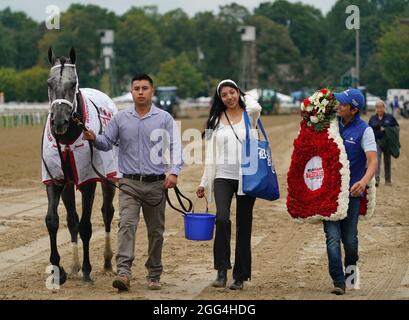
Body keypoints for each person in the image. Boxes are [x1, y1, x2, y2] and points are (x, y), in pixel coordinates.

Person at [83, 73, 183, 291]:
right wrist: (93, 137)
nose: (140, 92)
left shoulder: (164, 118)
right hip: (128, 183)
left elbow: (176, 145)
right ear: (131, 91)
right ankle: (124, 273)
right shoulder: (120, 118)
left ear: (152, 91)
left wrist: (174, 172)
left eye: (144, 88)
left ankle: (154, 273)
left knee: (156, 231)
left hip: (157, 183)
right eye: (136, 88)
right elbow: (107, 142)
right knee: (126, 226)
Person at [196, 79, 261, 290]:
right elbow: (211, 156)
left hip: (247, 177)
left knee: (244, 225)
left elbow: (256, 105)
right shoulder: (214, 120)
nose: (229, 97)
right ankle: (221, 270)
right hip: (222, 176)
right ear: (219, 99)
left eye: (232, 92)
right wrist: (204, 183)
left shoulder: (250, 115)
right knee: (222, 219)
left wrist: (243, 96)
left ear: (238, 93)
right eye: (224, 95)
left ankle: (240, 276)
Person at [323, 88, 377, 295]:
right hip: (328, 194)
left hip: (352, 194)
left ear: (353, 109)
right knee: (332, 238)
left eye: (343, 104)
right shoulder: (329, 125)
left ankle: (351, 276)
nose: (339, 106)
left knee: (350, 241)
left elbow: (373, 161)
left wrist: (363, 182)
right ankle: (338, 282)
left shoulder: (365, 130)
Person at [368, 100, 399, 187]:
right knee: (376, 161)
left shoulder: (390, 117)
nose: (379, 109)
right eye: (377, 107)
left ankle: (388, 180)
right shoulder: (372, 118)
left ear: (384, 108)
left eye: (381, 107)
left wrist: (386, 129)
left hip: (387, 143)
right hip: (377, 142)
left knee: (387, 161)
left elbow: (396, 128)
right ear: (375, 109)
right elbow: (368, 130)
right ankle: (376, 180)